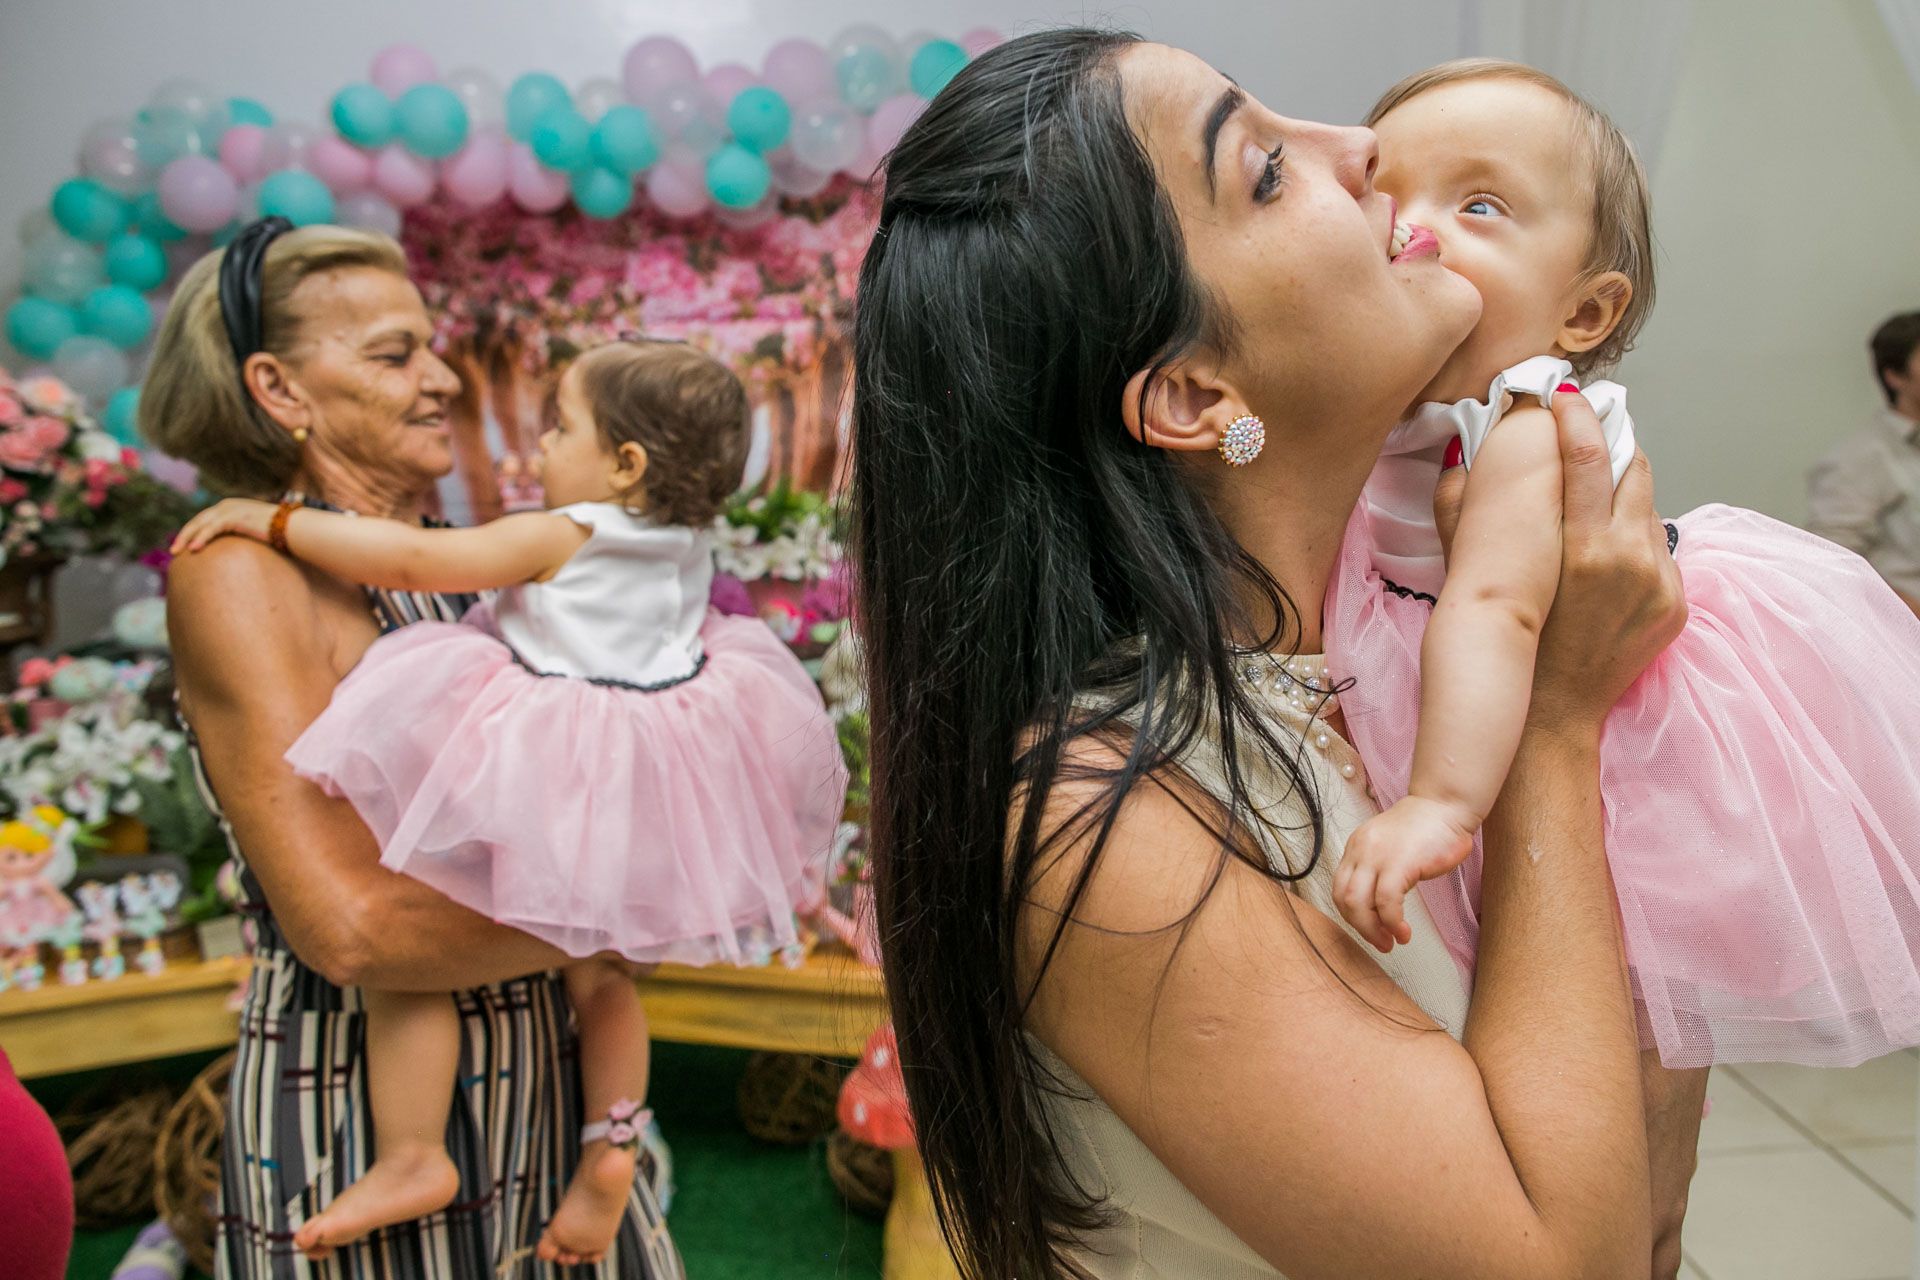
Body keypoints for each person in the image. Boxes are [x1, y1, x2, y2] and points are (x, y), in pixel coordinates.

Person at [851, 28, 1703, 1280]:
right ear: (1194, 395)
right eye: (1263, 169)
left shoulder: (1384, 650)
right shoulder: (1102, 817)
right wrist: (1555, 716)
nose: (1362, 148)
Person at [172, 337, 846, 1264]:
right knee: (604, 977)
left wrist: (273, 524)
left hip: (552, 764)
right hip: (644, 776)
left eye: (560, 425)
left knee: (412, 965)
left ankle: (411, 1153)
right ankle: (612, 1143)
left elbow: (409, 563)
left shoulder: (569, 528)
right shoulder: (686, 546)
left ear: (624, 464)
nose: (540, 450)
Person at [1320, 61, 1920, 1072]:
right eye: (1385, 191)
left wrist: (1442, 803)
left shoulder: (1527, 416)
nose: (1408, 226)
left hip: (1564, 715)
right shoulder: (1385, 397)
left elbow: (1497, 606)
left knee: (1596, 1015)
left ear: (1585, 316)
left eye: (1479, 203)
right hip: (1462, 686)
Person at [142, 220, 684, 1279]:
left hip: (548, 1066)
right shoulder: (242, 573)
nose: (442, 379)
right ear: (279, 388)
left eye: (431, 346)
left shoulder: (460, 557)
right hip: (361, 1091)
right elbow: (351, 928)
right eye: (395, 353)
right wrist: (635, 895)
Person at [1808, 310, 1920, 615]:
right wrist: (1907, 610)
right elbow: (1830, 561)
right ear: (1894, 376)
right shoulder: (1861, 457)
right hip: (1906, 641)